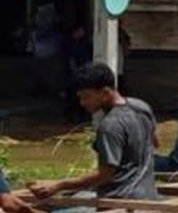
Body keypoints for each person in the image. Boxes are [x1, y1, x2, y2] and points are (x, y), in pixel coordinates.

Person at [29, 62, 161, 200]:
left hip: (120, 200)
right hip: (149, 196)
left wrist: (59, 185)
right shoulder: (142, 107)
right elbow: (155, 142)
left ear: (105, 93)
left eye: (86, 97)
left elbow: (104, 176)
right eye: (80, 97)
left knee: (53, 208)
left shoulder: (110, 125)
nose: (82, 103)